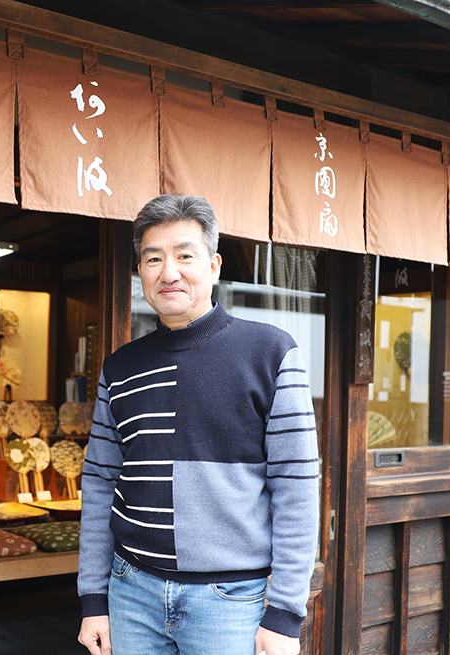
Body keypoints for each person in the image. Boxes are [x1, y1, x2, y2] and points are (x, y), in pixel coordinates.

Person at [77, 194, 319, 655]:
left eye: (184, 255)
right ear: (141, 272)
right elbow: (100, 482)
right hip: (130, 592)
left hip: (229, 602)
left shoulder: (270, 353)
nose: (168, 272)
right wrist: (94, 599)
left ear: (213, 265)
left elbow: (297, 487)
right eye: (153, 258)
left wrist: (285, 613)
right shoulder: (120, 368)